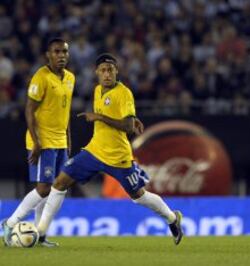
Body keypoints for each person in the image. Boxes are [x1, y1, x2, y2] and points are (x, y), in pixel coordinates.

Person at [36, 53, 183, 245]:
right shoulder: (98, 90)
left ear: (116, 72)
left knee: (138, 196)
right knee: (60, 182)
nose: (107, 74)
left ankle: (172, 218)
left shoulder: (124, 93)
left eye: (110, 70)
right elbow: (123, 117)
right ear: (96, 72)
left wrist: (101, 117)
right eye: (103, 70)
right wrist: (123, 118)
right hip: (94, 151)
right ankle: (41, 233)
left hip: (118, 157)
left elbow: (129, 127)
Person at [2, 38, 75, 247]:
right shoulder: (40, 77)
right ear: (48, 55)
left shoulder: (70, 78)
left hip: (61, 141)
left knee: (59, 188)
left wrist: (68, 139)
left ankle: (40, 233)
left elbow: (66, 110)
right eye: (57, 51)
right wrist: (36, 141)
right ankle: (10, 223)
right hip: (43, 142)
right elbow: (29, 110)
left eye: (64, 52)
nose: (61, 55)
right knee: (44, 188)